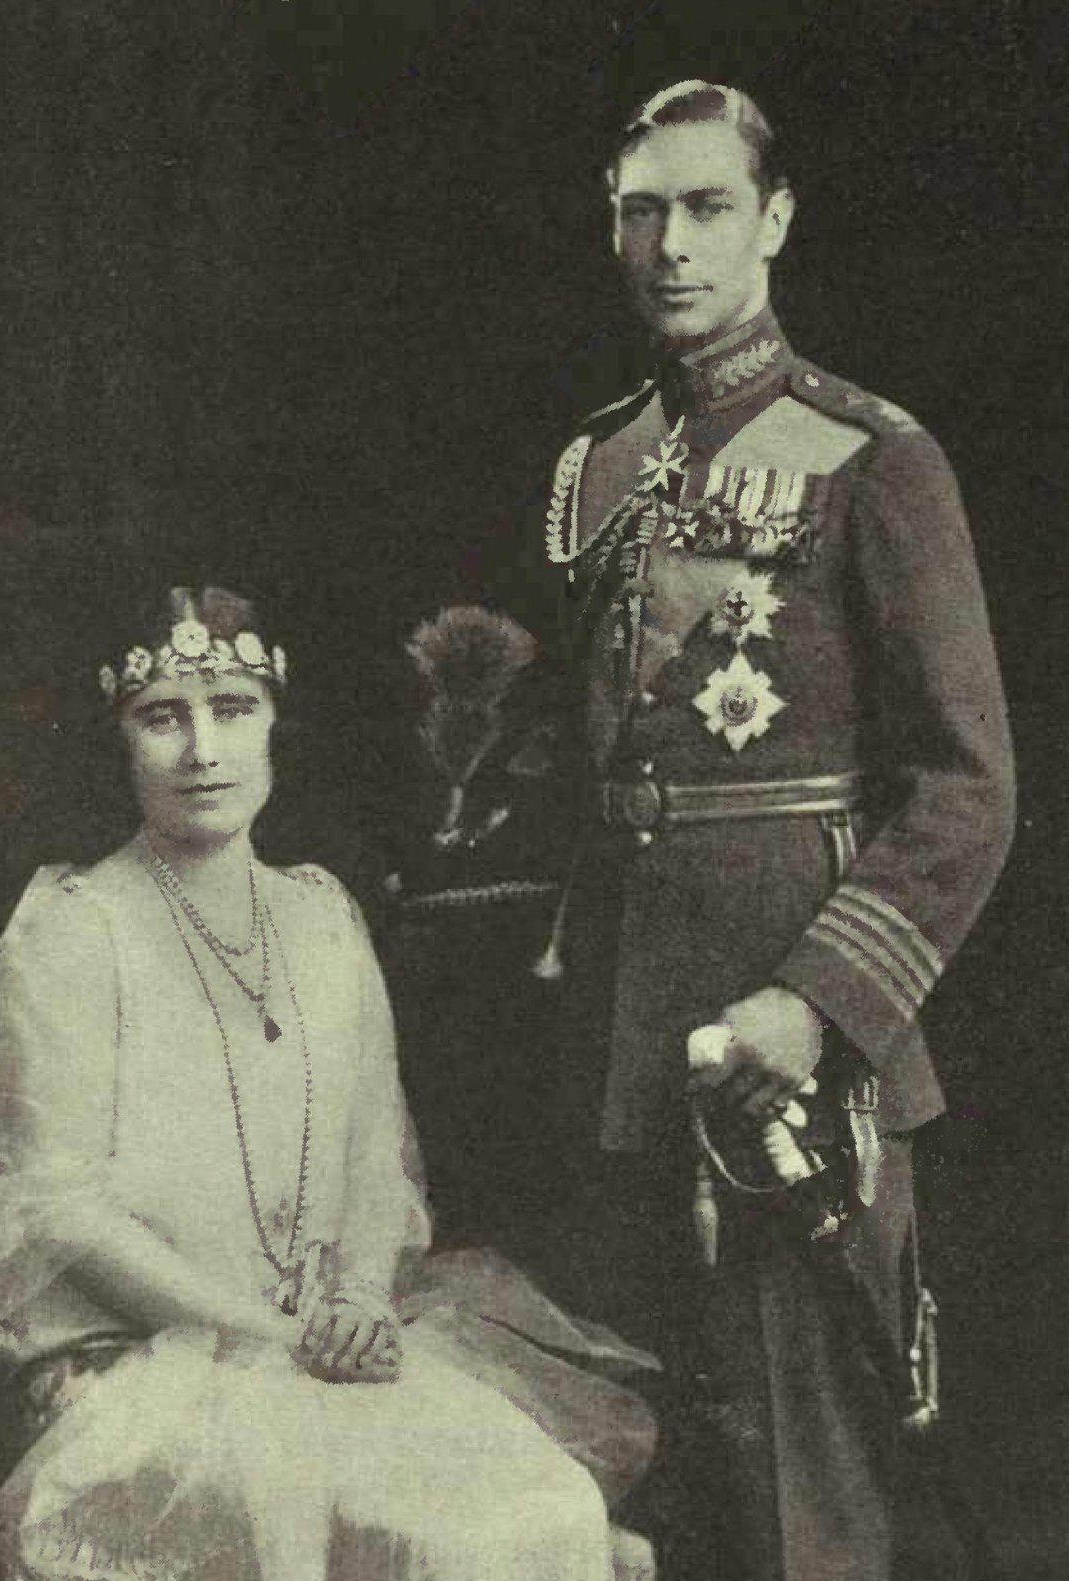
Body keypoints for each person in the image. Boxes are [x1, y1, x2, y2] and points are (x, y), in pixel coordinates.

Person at [482, 81, 1016, 1580]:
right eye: (640, 211)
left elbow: (971, 787)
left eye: (708, 207)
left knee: (802, 1485)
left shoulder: (873, 457)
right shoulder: (593, 466)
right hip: (613, 1035)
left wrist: (818, 1002)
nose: (671, 245)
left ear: (773, 222)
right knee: (636, 1468)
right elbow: (590, 733)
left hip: (786, 1035)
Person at [0, 584, 653, 1581]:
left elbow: (374, 1157)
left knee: (545, 1507)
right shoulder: (72, 931)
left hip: (318, 1343)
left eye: (233, 709)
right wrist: (268, 1336)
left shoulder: (322, 917)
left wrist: (361, 1301)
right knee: (419, 1531)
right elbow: (66, 1211)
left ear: (275, 721)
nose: (204, 751)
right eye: (164, 718)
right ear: (121, 741)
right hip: (136, 1365)